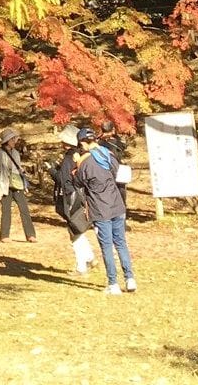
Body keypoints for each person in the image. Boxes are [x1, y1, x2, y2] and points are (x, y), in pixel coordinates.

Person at [74, 125, 136, 294]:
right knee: (121, 243)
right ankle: (130, 279)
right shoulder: (108, 154)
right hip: (117, 204)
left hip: (100, 209)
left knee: (107, 247)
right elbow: (116, 173)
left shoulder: (84, 162)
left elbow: (78, 182)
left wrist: (76, 163)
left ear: (82, 143)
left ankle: (113, 284)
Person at [48, 126, 97, 275]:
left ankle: (81, 265)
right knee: (78, 228)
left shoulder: (69, 157)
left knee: (74, 230)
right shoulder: (81, 155)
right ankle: (89, 257)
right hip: (81, 195)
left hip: (70, 196)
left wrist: (51, 169)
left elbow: (63, 179)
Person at [0, 128, 36, 241]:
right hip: (4, 185)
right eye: (13, 139)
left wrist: (24, 183)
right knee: (6, 210)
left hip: (17, 184)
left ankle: (30, 235)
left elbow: (18, 168)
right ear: (7, 140)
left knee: (24, 209)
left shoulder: (15, 153)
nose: (15, 141)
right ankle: (4, 236)